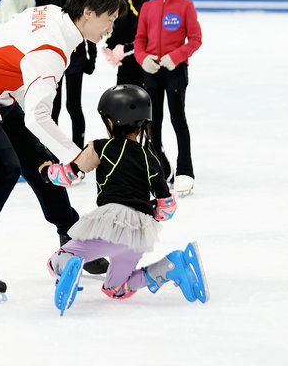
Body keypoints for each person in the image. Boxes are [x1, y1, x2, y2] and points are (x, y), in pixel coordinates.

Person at [0, 0, 124, 298]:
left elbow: (19, 64)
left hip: (0, 95)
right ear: (89, 13)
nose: (110, 29)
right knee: (3, 169)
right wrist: (77, 157)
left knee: (40, 163)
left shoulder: (52, 14)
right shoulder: (51, 50)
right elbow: (38, 117)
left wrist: (54, 155)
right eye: (109, 20)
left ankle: (72, 241)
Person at [45, 84, 207, 315]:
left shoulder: (101, 147)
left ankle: (69, 263)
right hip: (140, 233)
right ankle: (171, 266)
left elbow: (70, 173)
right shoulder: (151, 157)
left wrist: (47, 172)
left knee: (57, 261)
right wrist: (154, 210)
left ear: (110, 122)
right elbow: (167, 207)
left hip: (110, 223)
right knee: (116, 289)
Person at [134, 0, 202, 196]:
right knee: (153, 123)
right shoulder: (147, 8)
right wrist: (144, 59)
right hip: (152, 71)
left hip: (175, 71)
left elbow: (195, 39)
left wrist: (176, 56)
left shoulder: (185, 6)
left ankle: (185, 170)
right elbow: (139, 40)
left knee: (177, 120)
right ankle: (158, 169)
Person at [35, 0, 95, 148]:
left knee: (73, 105)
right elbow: (39, 25)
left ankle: (78, 151)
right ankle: (54, 150)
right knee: (53, 106)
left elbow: (90, 23)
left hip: (76, 57)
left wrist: (91, 56)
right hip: (52, 58)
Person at [102, 0, 150, 86]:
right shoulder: (116, 6)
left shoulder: (136, 8)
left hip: (141, 71)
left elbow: (148, 40)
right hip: (125, 70)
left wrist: (124, 49)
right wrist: (110, 47)